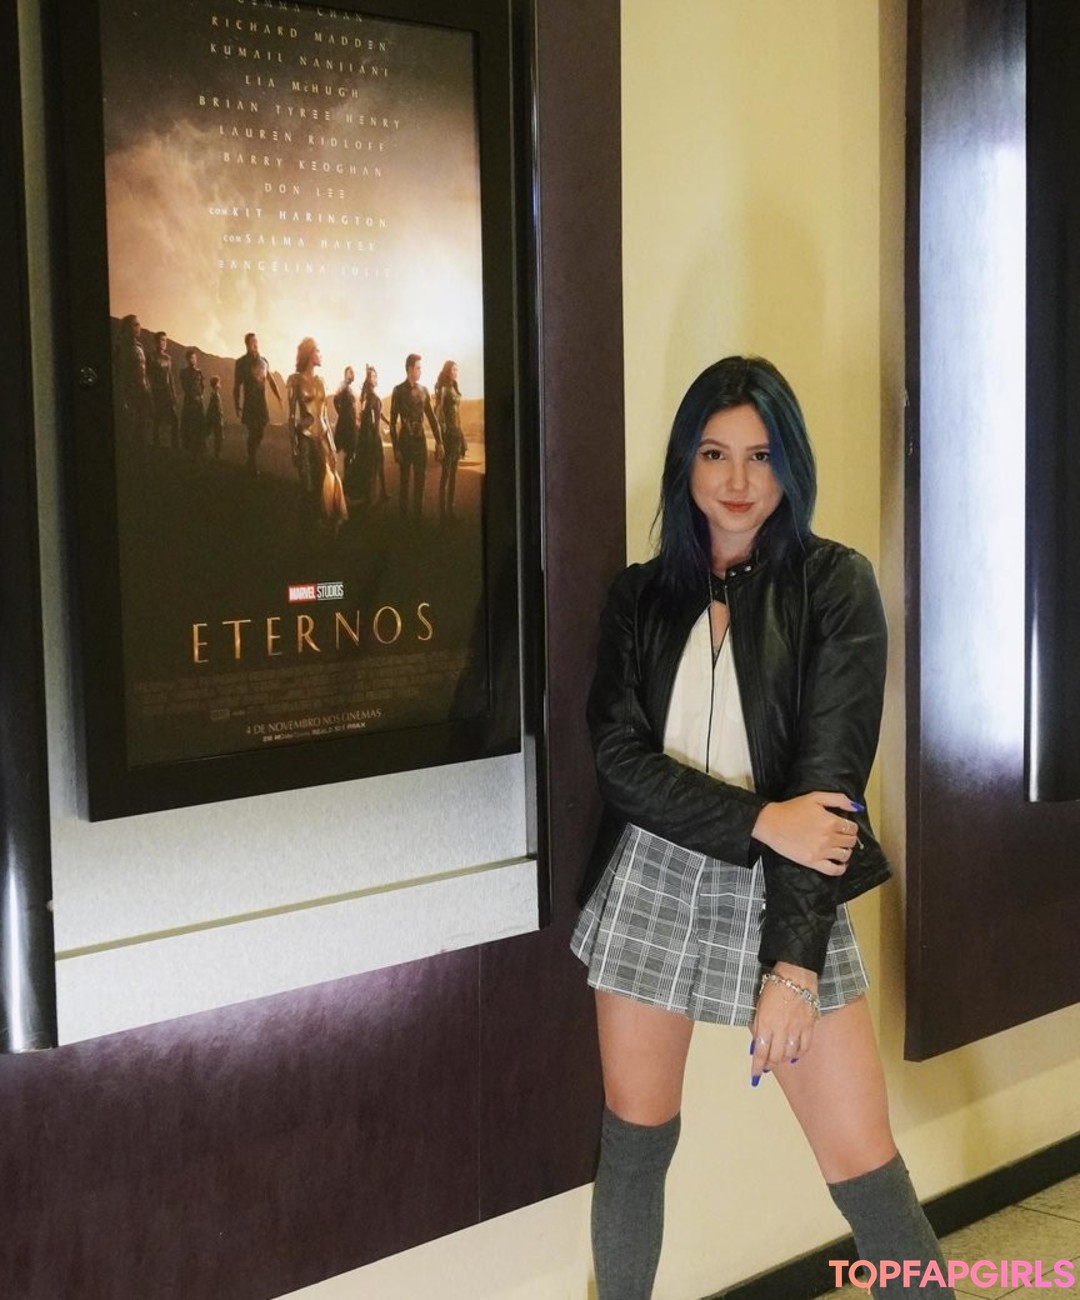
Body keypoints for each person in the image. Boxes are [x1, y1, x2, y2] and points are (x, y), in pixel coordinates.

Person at [573, 356, 952, 1300]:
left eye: (761, 454)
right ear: (686, 464)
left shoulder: (835, 585)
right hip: (653, 874)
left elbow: (827, 802)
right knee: (634, 1140)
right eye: (714, 453)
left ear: (791, 465)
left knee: (864, 1164)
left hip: (790, 885)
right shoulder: (640, 597)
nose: (737, 480)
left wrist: (793, 971)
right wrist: (761, 819)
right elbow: (620, 764)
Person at [286, 337, 347, 528]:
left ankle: (321, 522)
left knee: (325, 481)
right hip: (304, 438)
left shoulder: (321, 382)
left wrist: (333, 447)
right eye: (318, 351)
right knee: (307, 485)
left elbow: (325, 416)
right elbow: (291, 417)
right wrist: (294, 447)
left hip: (322, 438)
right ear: (309, 354)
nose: (321, 355)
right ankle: (307, 526)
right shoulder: (295, 380)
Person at [388, 353, 441, 520]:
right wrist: (396, 448)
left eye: (420, 368)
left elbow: (432, 418)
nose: (420, 371)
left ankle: (418, 520)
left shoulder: (424, 391)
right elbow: (392, 423)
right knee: (404, 484)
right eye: (418, 368)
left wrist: (439, 442)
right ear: (410, 369)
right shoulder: (398, 391)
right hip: (404, 442)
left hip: (420, 443)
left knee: (420, 483)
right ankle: (403, 522)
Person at [233, 331, 282, 474]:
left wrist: (279, 397)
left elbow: (271, 380)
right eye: (252, 342)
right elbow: (237, 385)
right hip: (249, 403)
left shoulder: (264, 361)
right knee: (252, 431)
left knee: (259, 433)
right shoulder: (241, 363)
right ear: (247, 345)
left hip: (261, 403)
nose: (255, 344)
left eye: (256, 342)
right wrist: (236, 404)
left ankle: (250, 460)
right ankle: (252, 463)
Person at [433, 360, 467, 521]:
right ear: (447, 371)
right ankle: (442, 512)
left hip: (457, 434)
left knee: (453, 475)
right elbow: (439, 412)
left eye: (457, 370)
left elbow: (457, 414)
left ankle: (450, 510)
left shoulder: (454, 387)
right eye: (453, 370)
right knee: (446, 474)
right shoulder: (444, 389)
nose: (456, 372)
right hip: (448, 436)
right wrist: (441, 436)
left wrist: (462, 435)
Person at [112, 313, 150, 445]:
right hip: (130, 392)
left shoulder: (140, 347)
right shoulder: (121, 347)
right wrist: (122, 398)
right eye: (136, 324)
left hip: (142, 392)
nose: (139, 327)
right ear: (128, 327)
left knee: (142, 428)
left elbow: (144, 370)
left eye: (139, 324)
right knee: (128, 429)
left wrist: (147, 389)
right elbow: (119, 374)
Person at [147, 330, 179, 449]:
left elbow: (170, 377)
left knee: (174, 418)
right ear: (156, 342)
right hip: (157, 391)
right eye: (162, 340)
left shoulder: (168, 358)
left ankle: (175, 445)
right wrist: (150, 391)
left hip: (167, 391)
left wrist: (173, 393)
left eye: (165, 340)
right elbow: (148, 375)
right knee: (157, 417)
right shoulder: (151, 357)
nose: (164, 343)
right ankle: (156, 443)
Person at [179, 348, 206, 454]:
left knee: (199, 423)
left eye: (194, 358)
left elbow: (202, 386)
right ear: (187, 359)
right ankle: (187, 446)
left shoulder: (199, 372)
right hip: (189, 402)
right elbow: (185, 386)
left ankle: (199, 447)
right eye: (190, 358)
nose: (193, 360)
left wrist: (201, 396)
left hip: (199, 402)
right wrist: (193, 396)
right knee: (188, 423)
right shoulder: (184, 372)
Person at [206, 376, 225, 460]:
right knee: (219, 436)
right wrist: (219, 416)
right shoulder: (215, 395)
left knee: (218, 436)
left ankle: (216, 453)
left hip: (215, 417)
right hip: (216, 418)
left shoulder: (214, 394)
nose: (220, 384)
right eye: (219, 382)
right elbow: (216, 408)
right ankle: (217, 454)